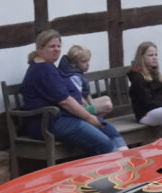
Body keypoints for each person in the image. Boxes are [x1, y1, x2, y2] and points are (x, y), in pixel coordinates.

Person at [21, 29, 127, 157]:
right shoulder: (43, 70)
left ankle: (126, 155)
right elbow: (65, 101)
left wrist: (91, 117)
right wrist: (89, 118)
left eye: (58, 46)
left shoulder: (47, 66)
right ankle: (120, 163)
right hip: (50, 123)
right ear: (40, 48)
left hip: (64, 117)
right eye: (52, 46)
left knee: (106, 127)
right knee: (103, 143)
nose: (56, 49)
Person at [56, 45, 113, 117]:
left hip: (84, 103)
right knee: (107, 105)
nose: (88, 64)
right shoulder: (73, 77)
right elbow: (78, 95)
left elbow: (86, 93)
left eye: (88, 60)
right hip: (79, 108)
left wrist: (91, 104)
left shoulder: (77, 73)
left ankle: (93, 119)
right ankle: (92, 120)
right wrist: (89, 106)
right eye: (84, 61)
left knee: (106, 98)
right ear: (74, 63)